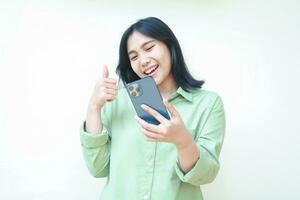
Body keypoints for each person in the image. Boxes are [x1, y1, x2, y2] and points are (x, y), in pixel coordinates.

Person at [80, 17, 225, 200]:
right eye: (134, 57)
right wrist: (94, 107)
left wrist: (183, 140)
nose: (143, 61)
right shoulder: (117, 101)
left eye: (149, 48)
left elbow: (205, 175)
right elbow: (98, 168)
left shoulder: (208, 104)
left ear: (169, 45)